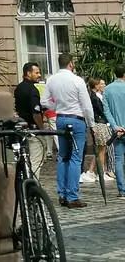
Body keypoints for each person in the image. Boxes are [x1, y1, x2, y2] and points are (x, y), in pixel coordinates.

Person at [43, 52, 95, 208]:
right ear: (70, 64)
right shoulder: (77, 80)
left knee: (63, 156)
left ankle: (62, 193)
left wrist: (57, 107)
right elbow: (86, 106)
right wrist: (91, 123)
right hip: (76, 119)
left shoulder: (51, 80)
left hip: (61, 118)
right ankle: (72, 196)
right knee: (75, 158)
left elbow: (44, 101)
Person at [81, 77, 114, 185]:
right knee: (102, 149)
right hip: (99, 124)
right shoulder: (95, 98)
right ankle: (100, 172)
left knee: (100, 149)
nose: (104, 85)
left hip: (100, 124)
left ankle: (92, 171)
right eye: (101, 84)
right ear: (96, 85)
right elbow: (102, 111)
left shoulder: (95, 96)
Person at [103, 64, 125, 200]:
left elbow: (106, 111)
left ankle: (122, 190)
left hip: (117, 131)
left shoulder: (107, 89)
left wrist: (115, 126)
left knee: (118, 160)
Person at [14, 62, 44, 128]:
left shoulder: (18, 87)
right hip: (32, 127)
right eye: (36, 73)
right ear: (29, 74)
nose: (39, 75)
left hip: (20, 126)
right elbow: (36, 113)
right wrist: (42, 128)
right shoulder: (32, 90)